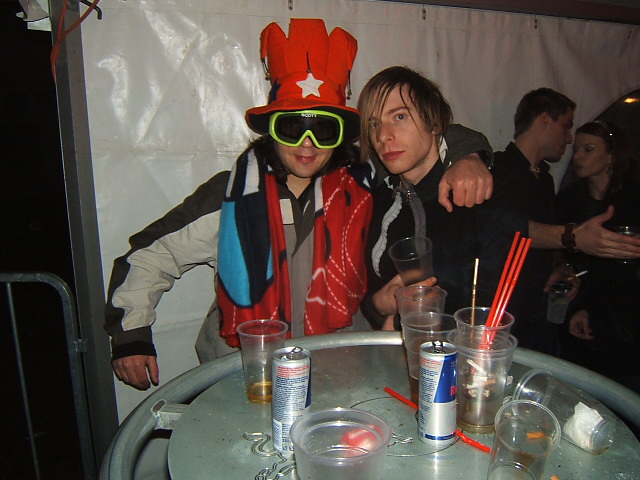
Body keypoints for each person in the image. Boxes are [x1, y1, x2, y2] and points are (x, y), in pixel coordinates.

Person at [104, 19, 494, 390]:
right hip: (248, 373)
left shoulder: (364, 185)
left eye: (323, 128)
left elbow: (426, 141)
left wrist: (467, 154)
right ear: (271, 128)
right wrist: (131, 336)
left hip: (341, 369)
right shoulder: (231, 197)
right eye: (292, 126)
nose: (307, 143)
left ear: (340, 134)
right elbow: (151, 255)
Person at [357, 66, 526, 330]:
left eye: (399, 116)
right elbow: (371, 295)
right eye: (374, 123)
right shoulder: (378, 200)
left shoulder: (485, 190)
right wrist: (378, 306)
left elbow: (505, 305)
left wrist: (402, 321)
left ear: (434, 122)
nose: (383, 135)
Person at [556, 120, 640, 393]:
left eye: (588, 149)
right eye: (576, 150)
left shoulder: (633, 199)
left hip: (627, 318)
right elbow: (560, 259)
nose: (578, 156)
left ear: (611, 155)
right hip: (581, 311)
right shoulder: (568, 201)